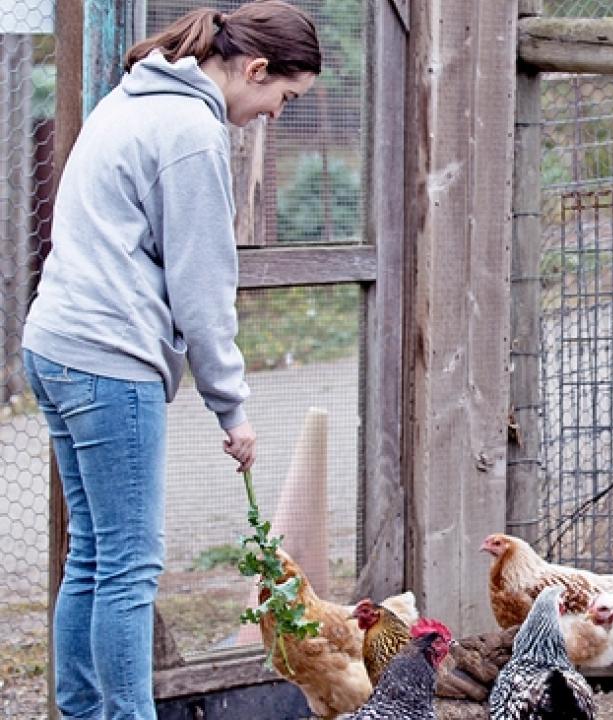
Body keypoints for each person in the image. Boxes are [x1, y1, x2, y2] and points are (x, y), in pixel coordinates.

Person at [22, 2, 320, 717]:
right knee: (127, 566)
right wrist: (232, 406)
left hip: (55, 345)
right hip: (107, 359)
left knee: (93, 556)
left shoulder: (133, 100)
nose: (277, 114)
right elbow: (202, 285)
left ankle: (84, 712)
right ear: (254, 69)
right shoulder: (190, 130)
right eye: (284, 97)